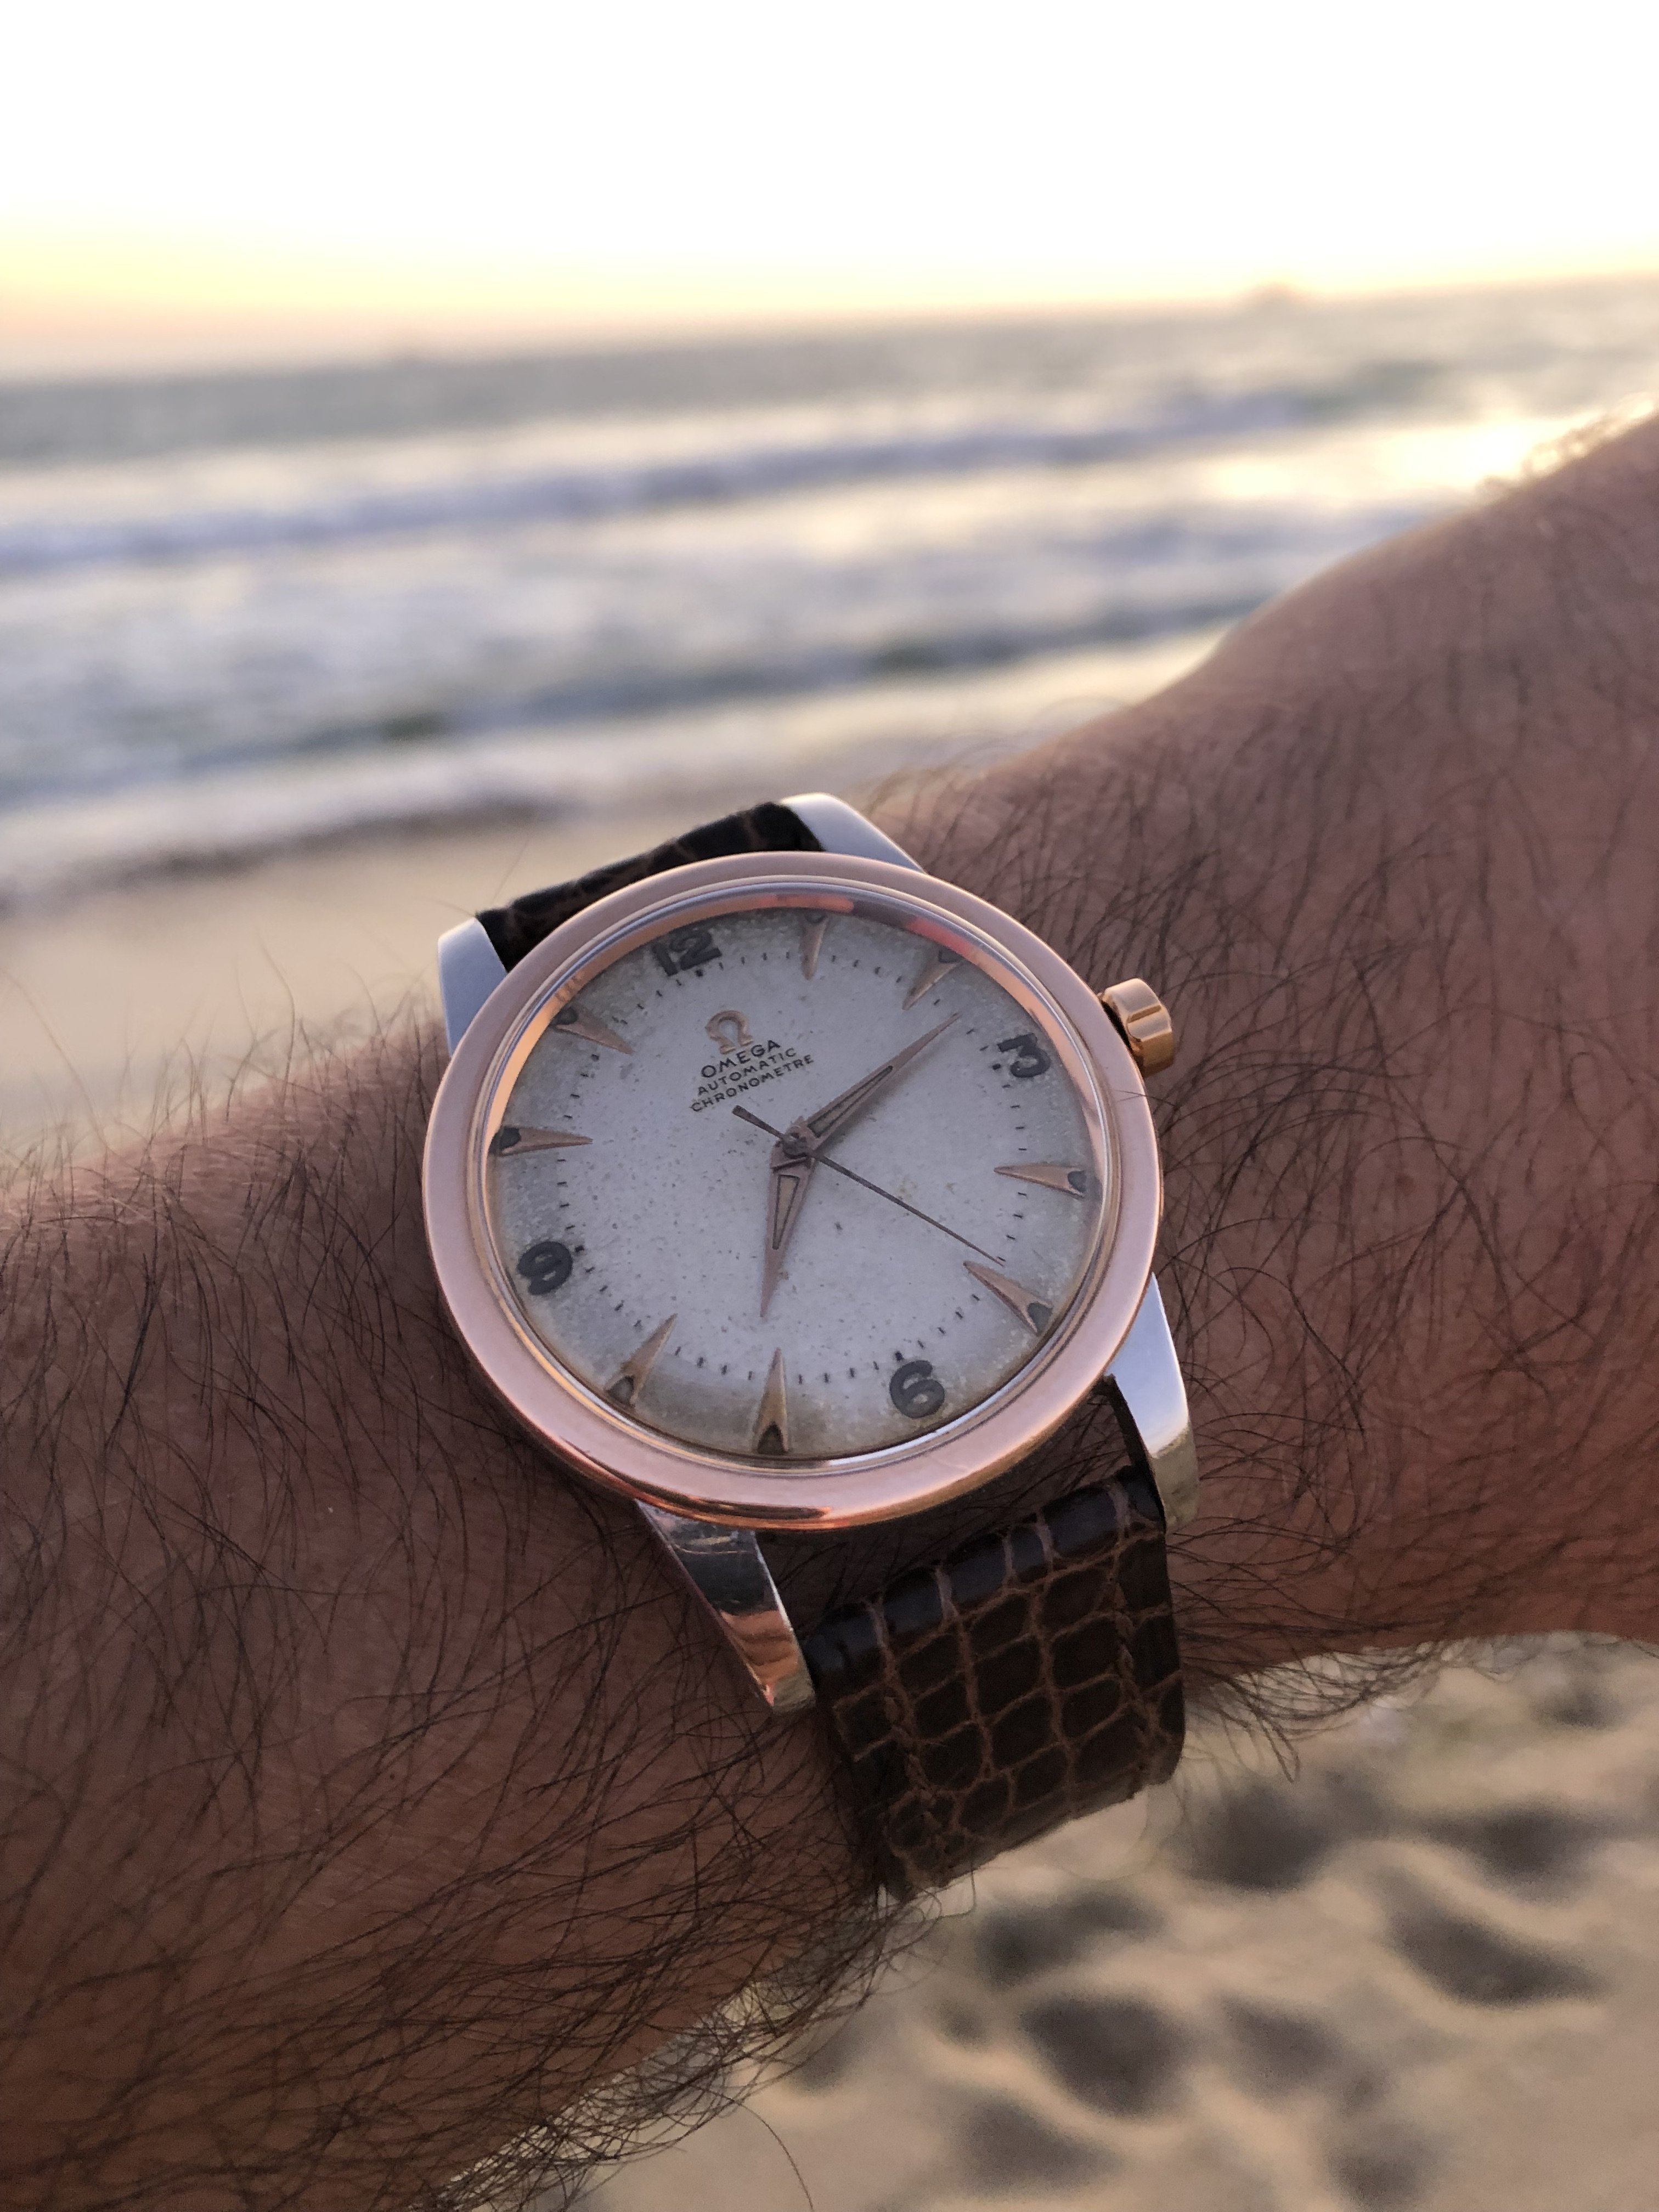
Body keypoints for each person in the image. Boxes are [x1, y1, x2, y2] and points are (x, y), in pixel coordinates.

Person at [4, 407, 1657, 2212]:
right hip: (771, 1508)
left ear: (1115, 1034)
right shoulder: (554, 1155)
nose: (793, 1146)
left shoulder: (1106, 1316)